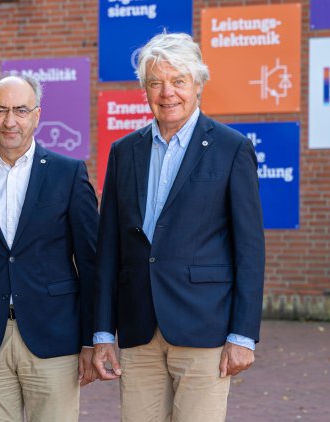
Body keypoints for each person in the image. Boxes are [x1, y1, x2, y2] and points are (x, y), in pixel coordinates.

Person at [92, 32, 266, 422]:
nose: (167, 92)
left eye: (178, 81)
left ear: (199, 84)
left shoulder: (231, 148)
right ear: (144, 90)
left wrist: (242, 335)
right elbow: (108, 250)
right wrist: (103, 332)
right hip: (138, 327)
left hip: (204, 327)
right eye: (155, 82)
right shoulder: (124, 152)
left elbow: (249, 249)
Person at [0, 73, 99, 421]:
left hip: (55, 337)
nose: (10, 121)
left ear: (37, 114)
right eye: (0, 110)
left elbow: (92, 263)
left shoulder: (69, 174)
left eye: (20, 110)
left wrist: (92, 339)